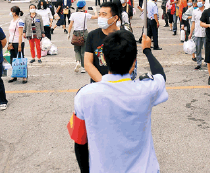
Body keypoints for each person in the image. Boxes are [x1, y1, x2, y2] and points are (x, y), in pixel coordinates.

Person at [70, 31, 168, 173]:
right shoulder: (145, 90)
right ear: (134, 62)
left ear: (103, 57)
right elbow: (161, 76)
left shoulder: (84, 95)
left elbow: (79, 141)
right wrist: (147, 51)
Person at [84, 2, 120, 83]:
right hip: (98, 85)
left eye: (104, 14)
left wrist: (116, 83)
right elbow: (87, 63)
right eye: (99, 14)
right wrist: (104, 82)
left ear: (115, 18)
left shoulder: (125, 36)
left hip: (119, 86)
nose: (100, 17)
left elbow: (131, 64)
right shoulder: (92, 35)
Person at [68, 0, 98, 74]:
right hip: (84, 33)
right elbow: (96, 17)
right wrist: (95, 10)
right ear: (84, 6)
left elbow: (70, 25)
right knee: (83, 51)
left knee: (76, 49)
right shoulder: (86, 14)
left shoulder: (73, 14)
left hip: (76, 33)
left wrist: (69, 33)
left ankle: (77, 62)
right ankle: (83, 68)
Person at [7, 6, 26, 83]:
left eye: (11, 11)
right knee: (12, 59)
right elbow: (10, 33)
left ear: (14, 13)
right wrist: (9, 43)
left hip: (18, 42)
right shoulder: (12, 21)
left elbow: (20, 34)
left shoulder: (20, 21)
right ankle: (14, 75)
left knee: (21, 60)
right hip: (11, 42)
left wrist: (19, 45)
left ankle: (24, 76)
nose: (10, 13)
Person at [189, 0, 206, 70]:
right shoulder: (195, 11)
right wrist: (190, 33)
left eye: (200, 1)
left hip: (206, 33)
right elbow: (193, 23)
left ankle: (207, 62)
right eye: (198, 1)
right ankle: (199, 63)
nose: (199, 2)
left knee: (207, 48)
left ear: (203, 2)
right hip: (197, 33)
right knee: (198, 49)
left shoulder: (207, 11)